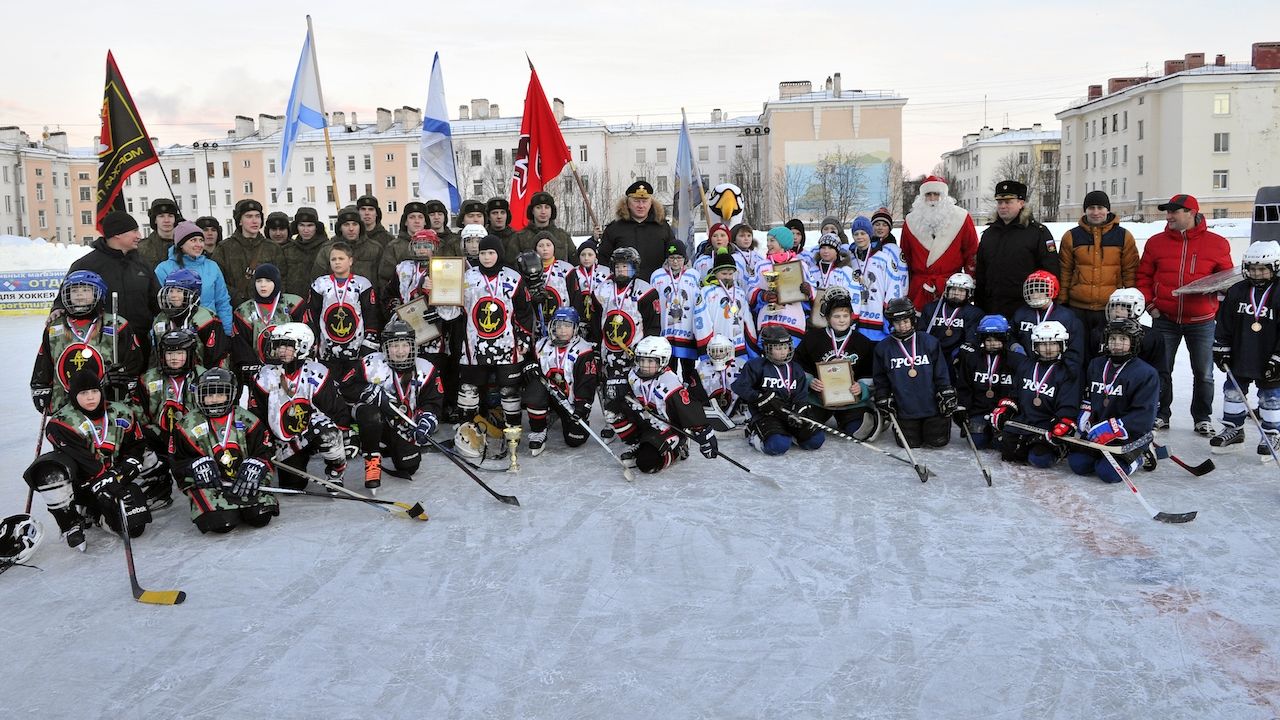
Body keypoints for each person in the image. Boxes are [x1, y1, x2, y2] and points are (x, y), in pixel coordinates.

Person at [1137, 193, 1234, 435]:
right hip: (1165, 318)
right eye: (1167, 212)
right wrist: (1151, 306)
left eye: (1174, 211)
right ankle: (1161, 414)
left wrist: (1215, 306)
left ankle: (1202, 417)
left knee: (1204, 373)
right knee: (1162, 370)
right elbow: (1143, 277)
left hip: (1201, 321)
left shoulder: (1217, 243)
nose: (1168, 216)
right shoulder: (1155, 242)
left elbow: (1227, 281)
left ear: (1191, 213)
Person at [23, 370, 152, 551]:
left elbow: (137, 446)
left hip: (115, 480)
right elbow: (85, 461)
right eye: (83, 393)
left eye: (94, 391)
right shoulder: (60, 423)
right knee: (49, 472)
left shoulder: (122, 412)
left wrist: (119, 473)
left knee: (134, 527)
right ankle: (70, 522)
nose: (90, 397)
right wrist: (104, 480)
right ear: (73, 395)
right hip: (82, 485)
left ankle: (96, 514)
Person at [436, 235, 535, 433]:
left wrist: (524, 337)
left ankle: (512, 432)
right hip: (474, 345)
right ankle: (467, 430)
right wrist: (439, 297)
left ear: (499, 254)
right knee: (468, 389)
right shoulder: (467, 278)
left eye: (491, 253)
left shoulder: (513, 277)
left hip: (507, 346)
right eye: (482, 253)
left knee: (509, 390)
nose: (487, 257)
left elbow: (524, 311)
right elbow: (451, 313)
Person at [171, 368, 279, 534]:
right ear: (199, 396)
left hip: (244, 481)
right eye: (209, 395)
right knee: (222, 524)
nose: (214, 400)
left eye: (220, 394)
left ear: (231, 395)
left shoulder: (248, 419)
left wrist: (257, 464)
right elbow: (176, 462)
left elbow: (265, 451)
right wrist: (194, 466)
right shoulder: (186, 425)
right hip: (211, 485)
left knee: (259, 517)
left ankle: (242, 506)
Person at [250, 324, 350, 492]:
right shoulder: (264, 377)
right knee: (292, 486)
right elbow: (258, 415)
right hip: (286, 439)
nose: (281, 350)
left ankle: (336, 471)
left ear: (303, 346)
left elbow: (335, 408)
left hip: (313, 431)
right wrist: (265, 446)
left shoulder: (317, 373)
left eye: (288, 345)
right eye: (278, 345)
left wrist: (344, 435)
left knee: (328, 433)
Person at [32, 270, 143, 412]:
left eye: (86, 290)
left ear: (98, 293)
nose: (79, 294)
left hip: (107, 401)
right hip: (65, 404)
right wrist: (40, 386)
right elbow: (45, 360)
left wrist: (122, 375)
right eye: (74, 290)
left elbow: (133, 361)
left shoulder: (116, 325)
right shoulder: (55, 327)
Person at [606, 336, 717, 473]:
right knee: (613, 411)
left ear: (663, 361)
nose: (645, 365)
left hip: (667, 427)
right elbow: (628, 397)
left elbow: (688, 410)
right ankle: (638, 443)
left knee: (646, 463)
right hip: (646, 420)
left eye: (650, 361)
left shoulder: (670, 383)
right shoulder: (633, 376)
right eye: (642, 360)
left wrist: (704, 434)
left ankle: (678, 448)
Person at [1210, 241, 1280, 455]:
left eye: (1262, 269)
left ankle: (1272, 434)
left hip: (1269, 353)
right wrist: (1221, 347)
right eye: (1252, 269)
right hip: (1242, 351)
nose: (1256, 274)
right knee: (1233, 391)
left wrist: (1278, 357)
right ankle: (1234, 429)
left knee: (1270, 397)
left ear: (1275, 267)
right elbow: (1224, 322)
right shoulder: (1237, 290)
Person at [1067, 319, 1158, 483]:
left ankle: (1141, 455)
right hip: (1098, 432)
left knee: (1108, 474)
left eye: (1123, 339)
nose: (1116, 343)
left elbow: (1144, 415)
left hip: (1128, 435)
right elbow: (1089, 395)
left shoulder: (1146, 373)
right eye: (1112, 339)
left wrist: (1113, 428)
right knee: (1078, 465)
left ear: (1134, 342)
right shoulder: (1096, 364)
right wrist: (1086, 413)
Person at [56, 211, 161, 350]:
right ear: (118, 234)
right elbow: (67, 297)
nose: (139, 236)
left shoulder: (142, 264)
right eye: (135, 231)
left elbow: (156, 301)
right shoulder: (86, 265)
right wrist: (57, 308)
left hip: (140, 342)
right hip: (101, 343)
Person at [990, 320, 1081, 468]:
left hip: (1048, 426)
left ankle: (1062, 448)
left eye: (1053, 344)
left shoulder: (1068, 371)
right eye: (1043, 344)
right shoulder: (1026, 365)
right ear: (1035, 346)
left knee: (1039, 459)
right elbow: (1014, 395)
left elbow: (1069, 404)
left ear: (1062, 345)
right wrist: (1006, 409)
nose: (1048, 348)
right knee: (1006, 451)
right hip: (1025, 422)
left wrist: (1061, 424)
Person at [595, 246, 662, 438]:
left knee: (636, 387)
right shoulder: (603, 290)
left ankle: (638, 419)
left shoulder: (646, 291)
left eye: (627, 267)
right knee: (610, 386)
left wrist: (649, 350)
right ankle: (614, 420)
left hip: (636, 352)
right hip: (609, 351)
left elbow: (653, 325)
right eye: (619, 267)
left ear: (635, 268)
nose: (622, 271)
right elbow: (595, 320)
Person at [794, 287, 878, 439]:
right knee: (806, 429)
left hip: (852, 402)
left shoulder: (863, 342)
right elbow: (798, 366)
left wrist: (862, 388)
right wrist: (810, 381)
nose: (842, 320)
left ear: (851, 317)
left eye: (845, 315)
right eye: (836, 316)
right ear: (827, 317)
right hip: (819, 400)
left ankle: (868, 419)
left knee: (857, 431)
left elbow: (871, 372)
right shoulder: (812, 339)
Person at [1057, 190, 1139, 346]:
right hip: (1078, 307)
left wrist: (1131, 305)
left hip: (1110, 308)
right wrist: (1062, 302)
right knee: (1079, 349)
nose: (1096, 212)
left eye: (1100, 208)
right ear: (1085, 210)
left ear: (1107, 209)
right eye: (1091, 208)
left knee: (1105, 350)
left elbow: (1130, 271)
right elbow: (1065, 271)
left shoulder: (1123, 236)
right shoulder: (1071, 236)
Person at [136, 328, 205, 509]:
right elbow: (138, 412)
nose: (174, 358)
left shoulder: (204, 376)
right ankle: (158, 487)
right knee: (139, 439)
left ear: (190, 353)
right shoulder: (148, 379)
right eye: (169, 353)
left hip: (195, 439)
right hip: (161, 437)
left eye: (180, 353)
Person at [873, 297, 955, 448]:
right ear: (891, 323)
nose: (902, 326)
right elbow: (881, 379)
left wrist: (946, 391)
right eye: (897, 323)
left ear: (912, 320)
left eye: (905, 321)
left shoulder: (929, 341)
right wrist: (883, 397)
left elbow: (941, 372)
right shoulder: (883, 348)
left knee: (937, 442)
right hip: (905, 408)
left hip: (931, 407)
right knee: (910, 444)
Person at [732, 325, 826, 455]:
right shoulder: (756, 366)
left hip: (790, 414)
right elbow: (739, 386)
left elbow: (801, 395)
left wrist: (800, 409)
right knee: (778, 446)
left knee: (816, 440)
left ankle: (791, 435)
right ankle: (755, 437)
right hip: (766, 415)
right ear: (767, 348)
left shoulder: (796, 369)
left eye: (785, 347)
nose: (783, 351)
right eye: (777, 348)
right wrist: (759, 397)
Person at [974, 180, 1060, 320]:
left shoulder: (1038, 233)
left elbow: (1050, 270)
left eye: (1008, 202)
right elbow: (981, 273)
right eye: (1000, 202)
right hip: (993, 307)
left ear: (1021, 203)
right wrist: (979, 305)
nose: (1002, 206)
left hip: (1026, 309)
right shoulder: (989, 234)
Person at [521, 307, 599, 455]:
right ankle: (539, 430)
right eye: (559, 325)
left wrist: (582, 407)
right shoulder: (540, 345)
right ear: (552, 326)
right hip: (548, 394)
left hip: (569, 402)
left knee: (574, 439)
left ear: (575, 327)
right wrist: (528, 365)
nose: (563, 330)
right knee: (535, 387)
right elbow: (528, 361)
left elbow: (587, 382)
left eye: (568, 325)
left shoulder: (584, 350)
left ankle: (559, 416)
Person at [900, 175, 979, 309]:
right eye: (928, 194)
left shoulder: (961, 218)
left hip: (952, 287)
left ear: (944, 196)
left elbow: (972, 253)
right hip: (920, 288)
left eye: (936, 194)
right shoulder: (911, 221)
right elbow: (905, 257)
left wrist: (971, 282)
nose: (932, 199)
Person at [309, 241, 381, 377]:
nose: (337, 262)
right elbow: (312, 314)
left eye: (341, 258)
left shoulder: (362, 284)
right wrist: (314, 341)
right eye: (333, 259)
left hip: (355, 348)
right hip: (327, 349)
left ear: (350, 261)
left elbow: (371, 316)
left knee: (352, 385)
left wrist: (369, 343)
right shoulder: (320, 284)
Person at [954, 315, 1026, 449]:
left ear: (1005, 337)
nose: (993, 343)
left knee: (1000, 444)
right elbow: (964, 386)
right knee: (977, 442)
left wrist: (1009, 409)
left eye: (997, 339)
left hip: (1004, 411)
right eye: (988, 339)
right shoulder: (971, 358)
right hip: (979, 410)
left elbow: (1019, 390)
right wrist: (962, 408)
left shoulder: (1017, 361)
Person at [231, 264, 306, 385]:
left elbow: (304, 335)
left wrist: (294, 363)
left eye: (268, 281)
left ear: (276, 282)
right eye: (259, 281)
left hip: (290, 369)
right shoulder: (243, 311)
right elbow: (241, 346)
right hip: (257, 374)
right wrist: (254, 370)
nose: (263, 285)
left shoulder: (293, 304)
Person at [155, 220, 235, 331]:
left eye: (201, 240)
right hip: (177, 332)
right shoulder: (164, 269)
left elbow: (222, 301)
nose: (199, 245)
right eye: (193, 240)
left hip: (209, 328)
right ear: (181, 244)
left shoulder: (212, 267)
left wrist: (227, 331)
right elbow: (159, 306)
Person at [598, 180, 679, 282]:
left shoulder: (662, 227)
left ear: (651, 203)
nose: (641, 205)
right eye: (636, 201)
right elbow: (603, 260)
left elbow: (674, 255)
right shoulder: (614, 228)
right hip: (624, 289)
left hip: (657, 285)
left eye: (645, 201)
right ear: (627, 203)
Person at [149, 269, 229, 370]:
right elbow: (155, 355)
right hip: (167, 378)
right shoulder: (160, 319)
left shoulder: (206, 319)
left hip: (200, 375)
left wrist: (215, 376)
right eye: (170, 291)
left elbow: (218, 355)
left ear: (193, 293)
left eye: (179, 291)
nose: (173, 295)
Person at [212, 198, 283, 308]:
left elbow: (282, 278)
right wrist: (236, 297)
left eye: (257, 216)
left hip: (267, 309)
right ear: (240, 221)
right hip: (234, 309)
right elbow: (217, 280)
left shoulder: (272, 247)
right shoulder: (224, 248)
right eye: (249, 216)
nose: (254, 221)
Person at [751, 226, 814, 346]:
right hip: (768, 319)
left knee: (791, 352)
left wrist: (807, 290)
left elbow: (812, 288)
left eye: (772, 241)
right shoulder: (761, 265)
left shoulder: (800, 264)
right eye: (767, 240)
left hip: (792, 318)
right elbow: (751, 288)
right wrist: (763, 295)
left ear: (783, 243)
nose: (768, 244)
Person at [1011, 270, 1086, 371]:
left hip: (1057, 371)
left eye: (1040, 290)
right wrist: (1015, 348)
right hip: (1026, 370)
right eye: (1032, 291)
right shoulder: (1021, 313)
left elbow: (1075, 349)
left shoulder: (1067, 317)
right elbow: (1010, 336)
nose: (1035, 295)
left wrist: (1065, 371)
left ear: (1052, 290)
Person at [852, 214, 909, 342]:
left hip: (877, 316)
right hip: (857, 319)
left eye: (863, 233)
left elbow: (894, 286)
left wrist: (889, 312)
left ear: (870, 234)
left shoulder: (884, 258)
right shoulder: (850, 259)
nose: (860, 237)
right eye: (856, 234)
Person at [650, 242, 702, 379]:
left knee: (689, 370)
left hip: (687, 330)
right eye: (672, 257)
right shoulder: (657, 276)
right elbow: (653, 303)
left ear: (685, 259)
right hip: (666, 331)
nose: (675, 261)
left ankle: (690, 395)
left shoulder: (693, 275)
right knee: (668, 369)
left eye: (679, 258)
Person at [921, 272, 984, 371]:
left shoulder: (975, 313)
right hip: (932, 352)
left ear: (969, 293)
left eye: (961, 290)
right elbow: (921, 334)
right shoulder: (931, 308)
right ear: (947, 290)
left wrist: (959, 353)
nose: (956, 293)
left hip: (955, 354)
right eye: (953, 289)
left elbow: (971, 341)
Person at [311, 205, 385, 285]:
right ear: (340, 227)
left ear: (360, 226)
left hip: (367, 295)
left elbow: (382, 278)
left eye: (355, 224)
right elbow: (317, 279)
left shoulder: (374, 248)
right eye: (346, 224)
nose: (351, 229)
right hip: (335, 296)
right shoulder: (328, 249)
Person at [565, 239, 610, 344]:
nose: (586, 258)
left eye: (590, 254)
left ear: (596, 256)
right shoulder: (573, 272)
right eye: (583, 255)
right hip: (579, 314)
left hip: (598, 315)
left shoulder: (606, 272)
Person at [377, 201, 428, 290]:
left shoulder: (436, 245)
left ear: (425, 222)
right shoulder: (394, 246)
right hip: (403, 299)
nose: (416, 221)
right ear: (405, 222)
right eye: (412, 217)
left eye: (420, 217)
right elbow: (385, 278)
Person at [281, 206, 329, 299]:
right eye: (302, 225)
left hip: (320, 300)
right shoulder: (288, 250)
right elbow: (282, 278)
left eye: (310, 225)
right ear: (296, 227)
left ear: (316, 227)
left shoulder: (326, 249)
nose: (305, 230)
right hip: (293, 301)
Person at [137, 198, 180, 271]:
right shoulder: (141, 248)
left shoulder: (184, 245)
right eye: (161, 216)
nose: (166, 220)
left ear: (175, 219)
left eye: (170, 216)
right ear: (155, 220)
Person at [730, 223, 766, 293]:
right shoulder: (732, 258)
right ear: (734, 239)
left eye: (749, 236)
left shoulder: (758, 256)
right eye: (742, 236)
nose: (746, 239)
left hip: (756, 294)